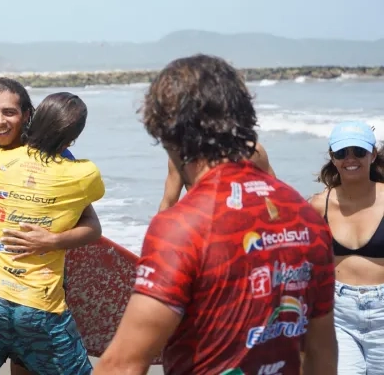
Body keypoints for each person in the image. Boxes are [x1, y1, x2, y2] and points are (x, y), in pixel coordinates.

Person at [94, 54, 337, 374]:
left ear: (166, 132)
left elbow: (123, 365)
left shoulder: (182, 227)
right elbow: (321, 352)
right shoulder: (306, 217)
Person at [0, 91, 105, 375]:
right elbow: (93, 226)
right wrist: (53, 241)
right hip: (40, 309)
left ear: (31, 118)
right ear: (72, 139)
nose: (0, 120)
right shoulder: (83, 174)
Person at [308, 121, 384, 373]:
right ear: (333, 157)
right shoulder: (319, 205)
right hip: (339, 315)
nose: (350, 159)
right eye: (342, 153)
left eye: (358, 152)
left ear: (372, 154)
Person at [158, 141, 276, 211]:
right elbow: (168, 202)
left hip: (245, 226)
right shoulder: (182, 158)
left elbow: (275, 195)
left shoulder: (252, 152)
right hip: (204, 227)